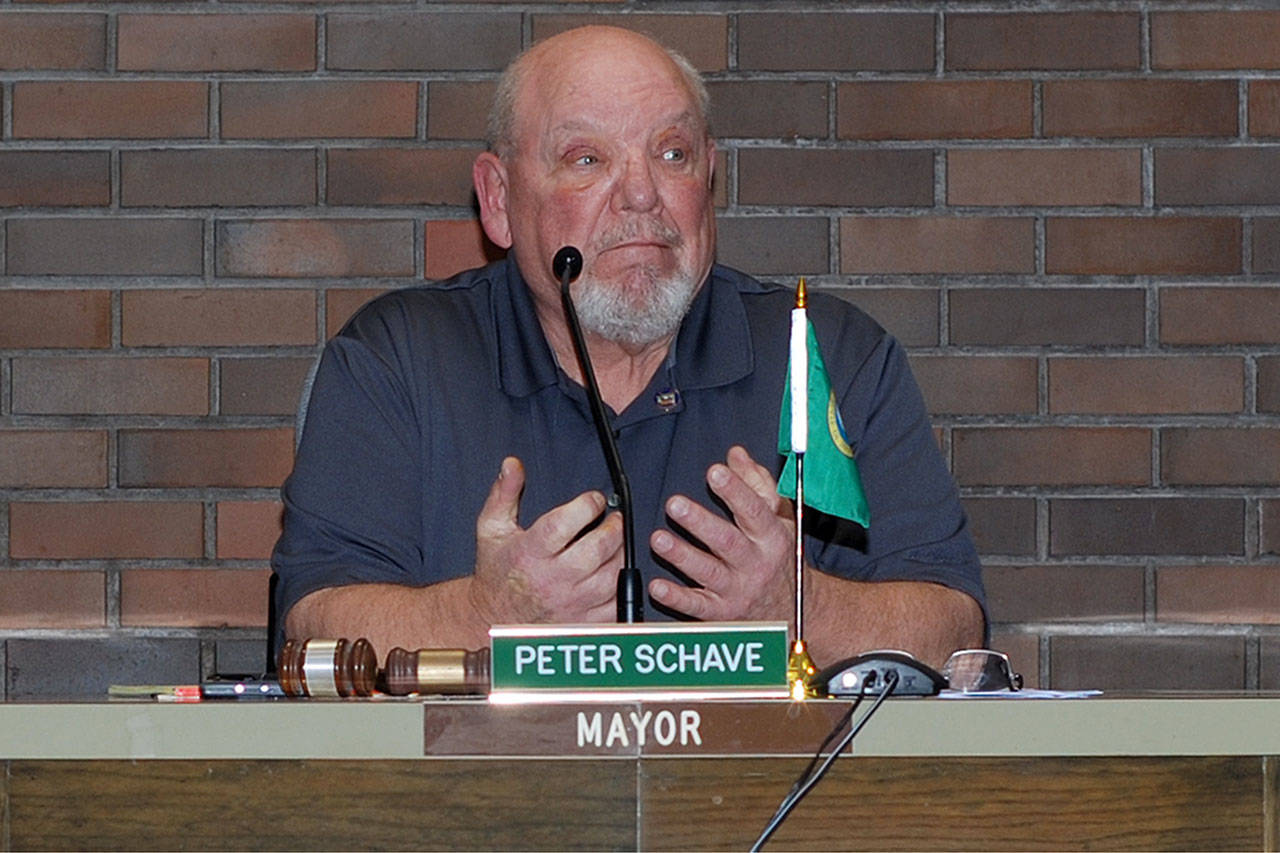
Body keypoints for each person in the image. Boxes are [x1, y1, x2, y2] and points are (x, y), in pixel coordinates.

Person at [272, 25, 985, 668]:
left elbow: (956, 629)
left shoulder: (827, 352)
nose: (641, 193)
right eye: (587, 159)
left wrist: (804, 610)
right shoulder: (394, 361)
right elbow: (308, 630)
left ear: (709, 177)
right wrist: (485, 616)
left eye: (672, 153)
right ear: (497, 200)